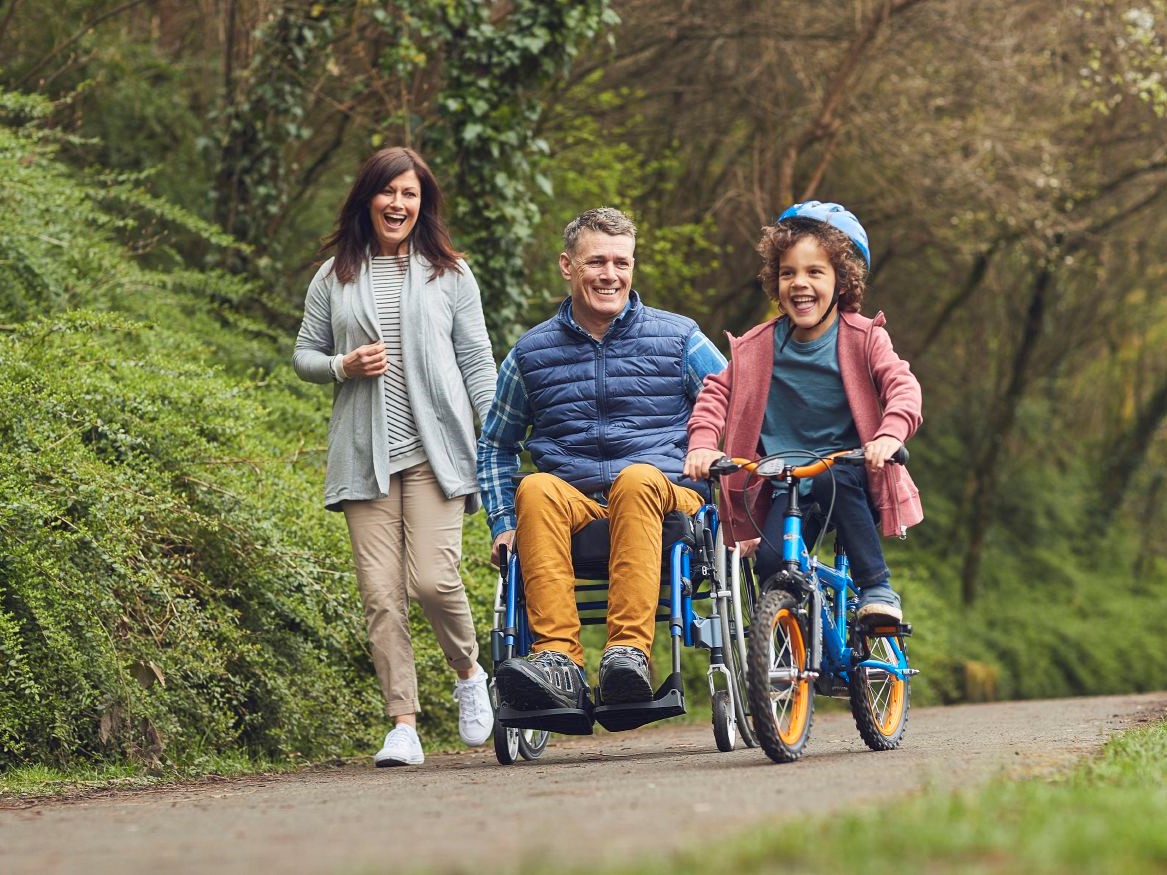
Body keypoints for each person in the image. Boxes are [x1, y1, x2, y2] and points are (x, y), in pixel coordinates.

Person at [477, 207, 727, 713]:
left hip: (667, 499)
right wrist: (503, 523)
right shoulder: (530, 352)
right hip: (575, 506)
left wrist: (723, 474)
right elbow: (496, 445)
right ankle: (558, 663)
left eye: (621, 262)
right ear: (567, 266)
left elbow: (736, 409)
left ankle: (628, 656)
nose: (610, 275)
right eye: (596, 262)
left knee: (637, 479)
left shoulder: (680, 338)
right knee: (534, 488)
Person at [293, 147, 497, 767]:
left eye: (410, 195)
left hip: (437, 456)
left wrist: (495, 437)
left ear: (422, 204)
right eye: (389, 193)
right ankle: (402, 724)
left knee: (432, 581)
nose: (399, 204)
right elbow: (305, 354)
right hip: (364, 457)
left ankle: (467, 672)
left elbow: (477, 362)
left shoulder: (451, 274)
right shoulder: (333, 277)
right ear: (368, 199)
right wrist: (342, 365)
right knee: (381, 595)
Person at [684, 201, 923, 624]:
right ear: (775, 281)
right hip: (786, 480)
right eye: (788, 272)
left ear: (842, 282)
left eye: (815, 272)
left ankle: (877, 586)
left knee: (840, 481)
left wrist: (889, 436)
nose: (800, 283)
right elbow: (716, 393)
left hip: (848, 470)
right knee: (770, 564)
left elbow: (901, 386)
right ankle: (783, 654)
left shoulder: (864, 338)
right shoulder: (758, 347)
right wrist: (703, 443)